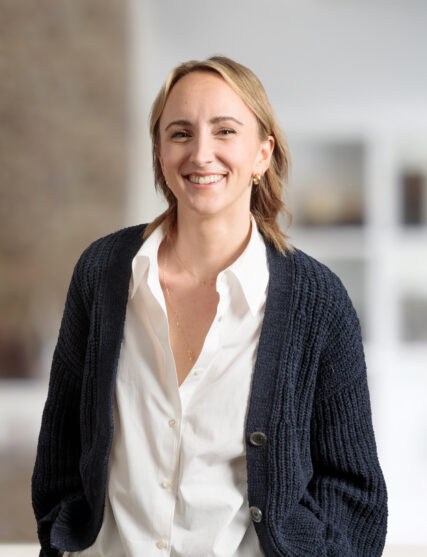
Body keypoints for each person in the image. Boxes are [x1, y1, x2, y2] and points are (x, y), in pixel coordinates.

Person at [31, 55, 388, 557]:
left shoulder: (319, 302)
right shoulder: (102, 272)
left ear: (262, 153)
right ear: (159, 151)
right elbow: (61, 444)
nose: (201, 153)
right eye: (180, 133)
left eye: (224, 131)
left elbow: (354, 491)